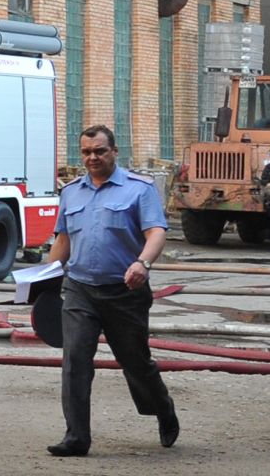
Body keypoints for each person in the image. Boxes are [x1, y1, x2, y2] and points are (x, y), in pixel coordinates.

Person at [45, 125, 177, 457]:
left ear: (114, 152)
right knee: (75, 358)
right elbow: (63, 240)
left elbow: (156, 232)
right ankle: (76, 437)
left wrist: (142, 265)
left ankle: (162, 408)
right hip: (80, 290)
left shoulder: (138, 190)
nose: (92, 158)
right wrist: (44, 281)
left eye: (100, 151)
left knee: (134, 362)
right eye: (87, 152)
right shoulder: (71, 192)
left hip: (125, 292)